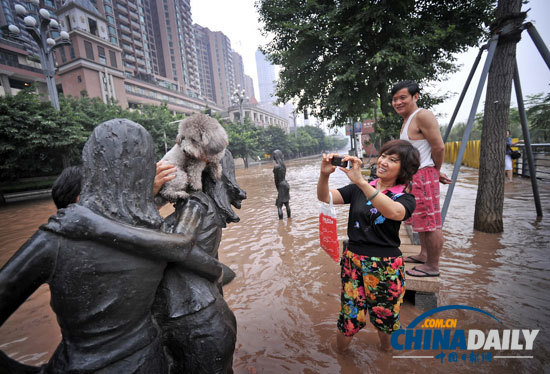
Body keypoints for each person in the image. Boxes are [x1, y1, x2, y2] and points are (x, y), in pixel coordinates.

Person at [0, 119, 222, 373]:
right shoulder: (154, 237)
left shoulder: (57, 234)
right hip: (148, 362)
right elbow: (211, 268)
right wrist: (193, 203)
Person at [317, 140, 420, 352]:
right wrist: (325, 174)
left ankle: (387, 359)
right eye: (383, 155)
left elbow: (394, 212)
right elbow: (324, 197)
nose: (383, 162)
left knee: (386, 319)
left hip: (385, 267)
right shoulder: (357, 189)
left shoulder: (404, 197)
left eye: (392, 160)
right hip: (352, 261)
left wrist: (362, 182)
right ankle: (341, 359)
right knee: (349, 316)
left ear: (404, 169)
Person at [392, 80, 451, 278]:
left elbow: (439, 147)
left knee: (431, 221)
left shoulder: (422, 115)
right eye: (395, 99)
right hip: (417, 176)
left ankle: (433, 266)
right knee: (422, 219)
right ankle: (424, 254)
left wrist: (435, 171)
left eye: (403, 98)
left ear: (415, 97)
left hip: (423, 175)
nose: (398, 102)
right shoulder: (408, 119)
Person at [272, 149, 291, 219]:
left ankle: (280, 221)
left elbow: (276, 180)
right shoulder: (283, 165)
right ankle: (289, 219)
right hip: (286, 184)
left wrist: (278, 189)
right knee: (287, 204)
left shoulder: (276, 166)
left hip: (281, 186)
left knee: (279, 206)